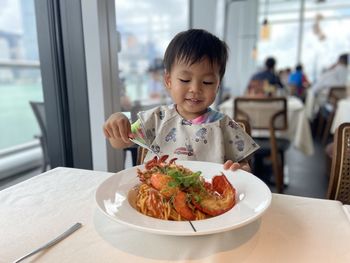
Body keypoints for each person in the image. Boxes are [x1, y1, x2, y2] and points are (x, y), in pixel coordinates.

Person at [103, 29, 260, 172]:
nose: (195, 89)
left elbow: (245, 165)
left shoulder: (225, 125)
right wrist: (117, 122)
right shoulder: (156, 118)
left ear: (218, 86)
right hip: (158, 197)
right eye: (185, 80)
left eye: (207, 82)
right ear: (169, 80)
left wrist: (241, 170)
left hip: (209, 199)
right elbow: (120, 143)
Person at [306, 53, 348, 119]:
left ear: (338, 61)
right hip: (344, 109)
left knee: (312, 94)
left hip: (329, 107)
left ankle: (310, 120)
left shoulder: (330, 73)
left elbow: (314, 89)